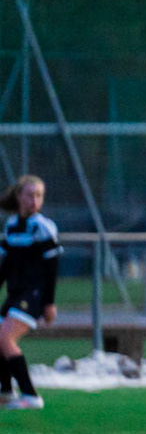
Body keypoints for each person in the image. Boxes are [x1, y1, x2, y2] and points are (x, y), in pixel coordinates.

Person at [0, 175, 59, 411]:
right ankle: (5, 391)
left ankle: (31, 395)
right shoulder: (12, 225)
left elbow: (52, 266)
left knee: (5, 338)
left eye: (38, 196)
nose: (34, 200)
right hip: (16, 293)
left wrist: (49, 303)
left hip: (33, 294)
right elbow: (6, 265)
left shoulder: (43, 226)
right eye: (29, 195)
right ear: (19, 197)